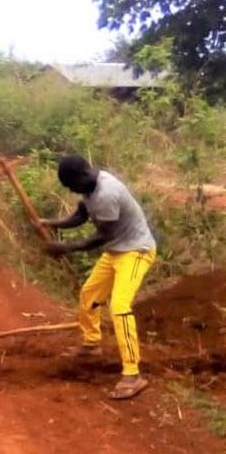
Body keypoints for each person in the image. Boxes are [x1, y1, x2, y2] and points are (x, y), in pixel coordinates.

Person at [42, 155, 156, 400]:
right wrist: (53, 223)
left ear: (82, 176)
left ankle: (133, 374)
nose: (72, 191)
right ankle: (91, 343)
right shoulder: (90, 185)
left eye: (71, 186)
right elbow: (81, 215)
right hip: (116, 250)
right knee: (89, 294)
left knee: (120, 306)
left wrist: (65, 248)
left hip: (136, 251)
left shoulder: (107, 193)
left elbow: (100, 238)